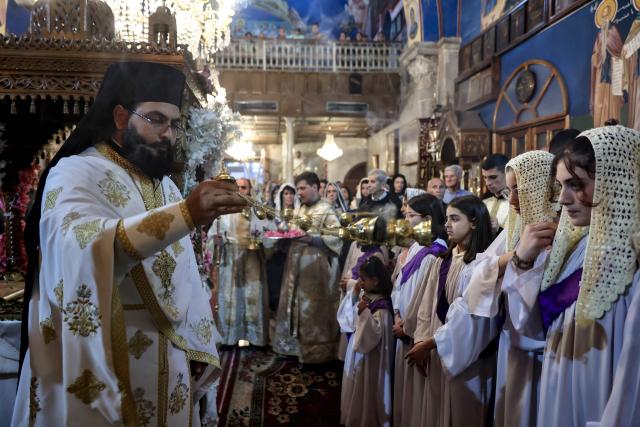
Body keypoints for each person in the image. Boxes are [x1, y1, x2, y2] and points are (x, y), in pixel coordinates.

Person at [12, 62, 247, 426]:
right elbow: (80, 246)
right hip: (106, 355)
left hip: (171, 356)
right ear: (121, 116)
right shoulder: (76, 171)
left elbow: (184, 269)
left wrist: (198, 340)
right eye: (156, 119)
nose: (167, 133)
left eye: (174, 123)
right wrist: (185, 214)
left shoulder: (164, 185)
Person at [503, 125, 640, 426]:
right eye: (560, 185)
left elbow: (633, 381)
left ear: (615, 180)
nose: (563, 199)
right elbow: (530, 333)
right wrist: (521, 263)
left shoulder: (634, 260)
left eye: (575, 184)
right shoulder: (579, 249)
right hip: (559, 400)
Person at [446, 150, 558, 427]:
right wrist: (509, 259)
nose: (514, 201)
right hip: (511, 339)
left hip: (543, 348)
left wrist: (506, 264)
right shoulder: (517, 227)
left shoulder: (556, 232)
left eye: (520, 190)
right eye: (510, 191)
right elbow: (479, 273)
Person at [406, 195, 494, 427]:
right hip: (435, 348)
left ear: (474, 222)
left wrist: (433, 342)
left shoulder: (483, 265)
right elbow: (428, 306)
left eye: (455, 219)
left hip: (465, 352)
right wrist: (421, 340)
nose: (447, 225)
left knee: (463, 411)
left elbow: (475, 316)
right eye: (446, 219)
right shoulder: (443, 261)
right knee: (435, 408)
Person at [272, 172, 343, 363]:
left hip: (315, 266)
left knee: (311, 307)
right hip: (294, 264)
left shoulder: (326, 209)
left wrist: (312, 239)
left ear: (315, 187)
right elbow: (294, 230)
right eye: (298, 189)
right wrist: (284, 232)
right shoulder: (299, 209)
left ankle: (316, 352)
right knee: (293, 303)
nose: (299, 193)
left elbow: (337, 237)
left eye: (303, 188)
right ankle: (296, 346)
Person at [390, 194, 448, 427]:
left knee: (419, 394)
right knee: (404, 389)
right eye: (405, 214)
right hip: (402, 324)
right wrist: (397, 313)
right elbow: (400, 285)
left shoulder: (437, 250)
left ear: (427, 219)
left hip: (416, 330)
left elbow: (426, 294)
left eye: (410, 216)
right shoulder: (415, 245)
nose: (406, 219)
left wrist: (408, 324)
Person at [209, 178, 268, 347]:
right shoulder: (224, 211)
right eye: (238, 187)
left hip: (252, 259)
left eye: (244, 187)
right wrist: (216, 241)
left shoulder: (257, 210)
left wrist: (262, 239)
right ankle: (229, 337)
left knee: (251, 295)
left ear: (249, 190)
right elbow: (213, 236)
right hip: (230, 259)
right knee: (230, 296)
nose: (241, 190)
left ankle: (253, 337)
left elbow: (267, 232)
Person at [340, 257, 394, 427]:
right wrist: (355, 295)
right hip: (359, 350)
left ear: (375, 280)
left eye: (363, 279)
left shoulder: (383, 307)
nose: (360, 282)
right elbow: (350, 319)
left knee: (367, 389)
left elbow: (373, 336)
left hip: (371, 359)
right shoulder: (368, 296)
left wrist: (364, 313)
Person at [481, 154, 510, 234]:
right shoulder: (483, 202)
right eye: (485, 177)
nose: (487, 183)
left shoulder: (518, 204)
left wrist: (498, 229)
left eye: (493, 177)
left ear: (507, 174)